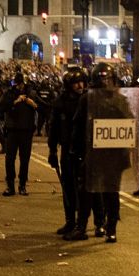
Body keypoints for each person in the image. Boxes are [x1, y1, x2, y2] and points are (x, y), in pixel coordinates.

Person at [70, 62, 135, 243]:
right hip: (95, 154)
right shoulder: (88, 100)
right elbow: (79, 126)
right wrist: (77, 150)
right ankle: (91, 226)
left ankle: (107, 226)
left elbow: (129, 125)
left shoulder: (119, 100)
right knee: (90, 192)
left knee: (103, 192)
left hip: (112, 156)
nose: (106, 82)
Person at [48, 67, 104, 236]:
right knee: (69, 188)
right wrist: (52, 150)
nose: (79, 86)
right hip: (68, 150)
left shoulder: (91, 100)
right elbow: (54, 127)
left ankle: (99, 222)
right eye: (75, 83)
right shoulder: (60, 103)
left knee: (94, 189)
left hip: (89, 149)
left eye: (81, 82)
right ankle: (71, 221)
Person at [0, 72, 40, 196]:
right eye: (17, 85)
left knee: (25, 159)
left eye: (21, 85)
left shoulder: (31, 93)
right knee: (10, 159)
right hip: (12, 130)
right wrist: (14, 102)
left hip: (26, 130)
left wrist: (32, 103)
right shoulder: (9, 93)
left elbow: (42, 107)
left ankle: (22, 185)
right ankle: (10, 185)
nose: (19, 87)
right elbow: (1, 107)